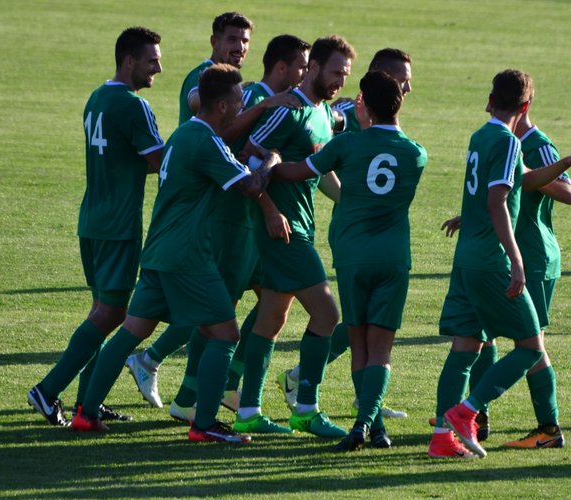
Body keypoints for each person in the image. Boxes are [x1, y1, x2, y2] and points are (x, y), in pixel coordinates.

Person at [70, 64, 291, 444]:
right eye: (239, 101)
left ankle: (85, 413)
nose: (242, 107)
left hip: (158, 251)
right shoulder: (206, 142)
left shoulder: (182, 135)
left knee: (129, 333)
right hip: (187, 256)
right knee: (225, 334)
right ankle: (204, 424)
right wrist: (272, 160)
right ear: (222, 105)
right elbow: (251, 186)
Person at [124, 29, 304, 411]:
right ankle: (200, 393)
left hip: (226, 216)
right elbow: (211, 119)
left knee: (262, 300)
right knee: (219, 308)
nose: (240, 47)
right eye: (233, 39)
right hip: (222, 217)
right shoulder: (219, 84)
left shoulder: (249, 92)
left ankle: (203, 385)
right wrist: (270, 198)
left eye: (245, 41)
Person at [430, 70, 571, 458]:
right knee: (530, 346)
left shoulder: (480, 137)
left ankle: (442, 436)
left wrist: (566, 162)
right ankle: (468, 412)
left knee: (466, 345)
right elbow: (497, 201)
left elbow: (521, 179)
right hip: (494, 261)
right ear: (524, 107)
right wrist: (516, 259)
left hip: (467, 258)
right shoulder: (509, 142)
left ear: (491, 101)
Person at [273, 70, 427, 450]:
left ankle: (366, 427)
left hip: (353, 255)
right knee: (381, 350)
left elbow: (295, 173)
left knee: (358, 344)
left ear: (362, 103)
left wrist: (270, 162)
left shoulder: (346, 147)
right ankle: (370, 426)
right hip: (393, 256)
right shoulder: (416, 154)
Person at [26, 27, 164, 426]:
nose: (159, 66)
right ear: (129, 61)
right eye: (152, 60)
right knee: (111, 314)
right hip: (119, 225)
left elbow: (123, 154)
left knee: (102, 311)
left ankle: (90, 398)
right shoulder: (133, 106)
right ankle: (48, 390)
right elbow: (159, 162)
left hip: (92, 219)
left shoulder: (96, 98)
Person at [233, 36, 356, 438]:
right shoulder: (288, 109)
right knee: (328, 314)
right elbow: (247, 161)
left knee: (271, 318)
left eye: (346, 75)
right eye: (336, 71)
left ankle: (248, 410)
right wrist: (269, 208)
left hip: (300, 225)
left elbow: (318, 171)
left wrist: (352, 202)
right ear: (314, 67)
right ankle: (306, 408)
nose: (340, 80)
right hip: (282, 230)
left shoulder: (323, 113)